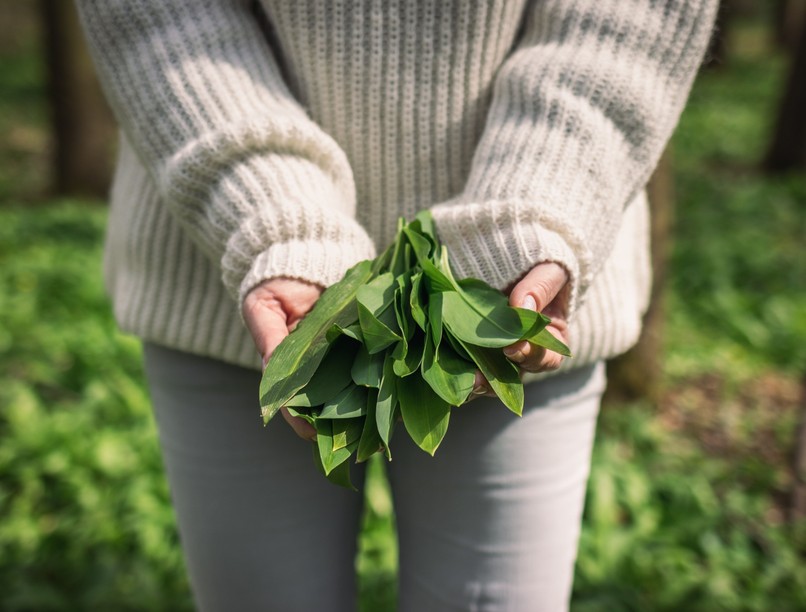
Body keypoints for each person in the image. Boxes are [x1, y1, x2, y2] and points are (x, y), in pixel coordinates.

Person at [76, 1, 718, 609]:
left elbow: (630, 22)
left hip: (510, 304)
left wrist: (536, 208)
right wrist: (273, 220)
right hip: (236, 288)